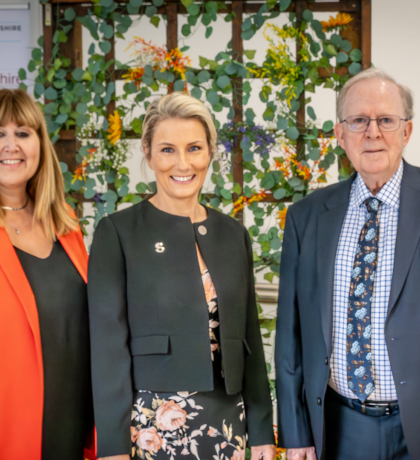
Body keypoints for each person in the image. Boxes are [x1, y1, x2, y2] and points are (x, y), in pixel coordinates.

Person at [88, 92, 276, 460]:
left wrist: (261, 432)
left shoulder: (232, 233)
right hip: (151, 429)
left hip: (228, 424)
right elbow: (108, 352)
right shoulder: (117, 232)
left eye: (194, 148)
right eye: (168, 149)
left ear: (209, 153)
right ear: (149, 154)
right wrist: (112, 448)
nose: (183, 162)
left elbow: (248, 338)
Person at [275, 68, 420, 460]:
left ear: (406, 131)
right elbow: (290, 337)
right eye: (358, 121)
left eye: (386, 120)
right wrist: (294, 433)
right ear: (340, 135)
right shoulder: (306, 218)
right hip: (341, 427)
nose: (372, 132)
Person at [0, 89, 95, 460]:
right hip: (11, 430)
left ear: (40, 143)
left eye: (23, 133)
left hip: (73, 423)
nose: (11, 145)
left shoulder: (65, 225)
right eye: (0, 134)